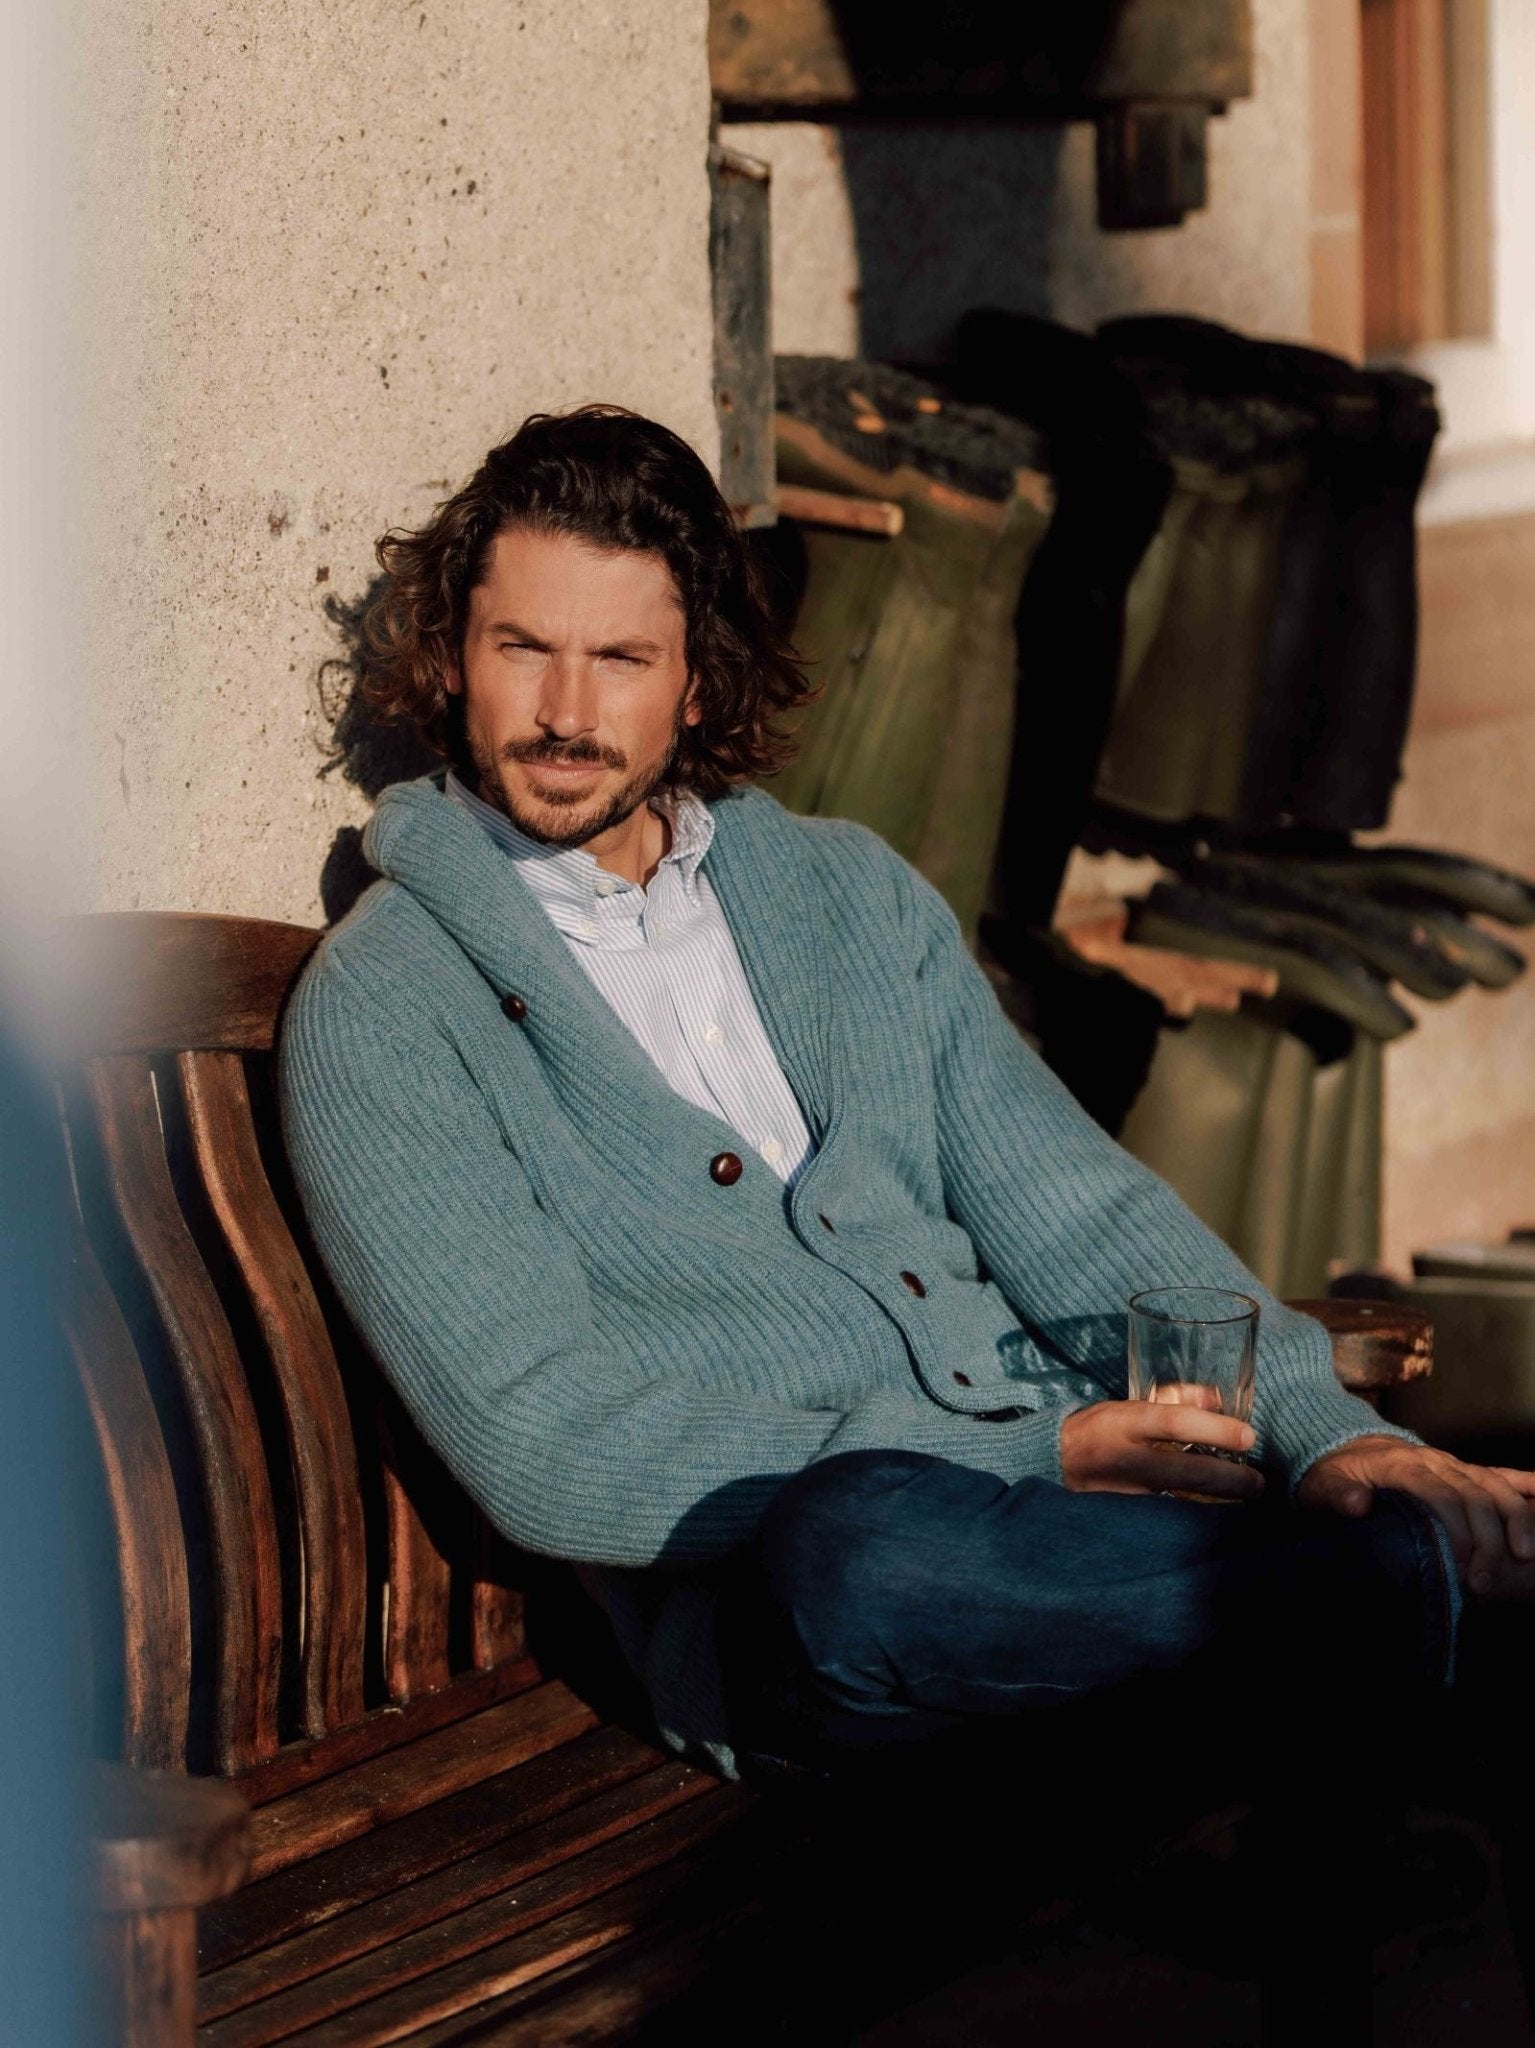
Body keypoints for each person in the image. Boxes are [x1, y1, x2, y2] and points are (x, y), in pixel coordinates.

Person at [280, 406, 1534, 1792]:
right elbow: (546, 1442)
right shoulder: (387, 1009)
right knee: (864, 1546)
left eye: (621, 659)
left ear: (698, 679)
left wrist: (1334, 1434)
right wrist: (1031, 1453)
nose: (568, 714)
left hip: (1084, 1543)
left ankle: (1378, 1589)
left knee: (1336, 1535)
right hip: (804, 1598)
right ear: (454, 658)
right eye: (523, 649)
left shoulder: (850, 896)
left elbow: (1082, 1214)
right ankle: (1404, 1603)